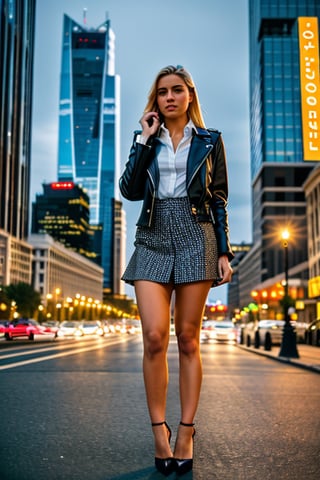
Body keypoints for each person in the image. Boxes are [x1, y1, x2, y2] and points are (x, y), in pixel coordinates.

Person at [119, 65, 233, 476]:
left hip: (195, 232)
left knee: (187, 338)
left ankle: (186, 430)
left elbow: (218, 197)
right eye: (162, 92)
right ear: (156, 100)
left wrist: (224, 251)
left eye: (177, 90)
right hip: (152, 232)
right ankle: (158, 431)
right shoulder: (146, 139)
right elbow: (130, 190)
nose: (169, 97)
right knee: (153, 337)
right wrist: (144, 140)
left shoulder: (211, 141)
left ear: (189, 96)